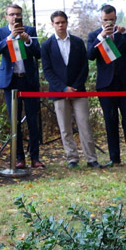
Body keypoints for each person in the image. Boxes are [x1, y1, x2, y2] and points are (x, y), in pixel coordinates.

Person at [40, 10, 101, 169]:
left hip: (78, 90)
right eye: (57, 22)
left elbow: (84, 67)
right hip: (58, 92)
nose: (60, 25)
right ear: (52, 24)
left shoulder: (77, 42)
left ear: (67, 23)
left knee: (84, 125)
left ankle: (91, 159)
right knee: (65, 128)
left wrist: (74, 87)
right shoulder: (46, 45)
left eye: (63, 22)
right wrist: (63, 88)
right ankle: (72, 159)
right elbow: (48, 71)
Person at [86, 4, 126, 166]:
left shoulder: (121, 35)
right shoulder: (94, 35)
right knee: (110, 121)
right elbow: (90, 55)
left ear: (115, 19)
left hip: (124, 83)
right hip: (106, 85)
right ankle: (114, 158)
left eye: (111, 20)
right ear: (101, 19)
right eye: (105, 20)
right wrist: (101, 37)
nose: (108, 23)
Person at [0, 4, 43, 169]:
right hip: (11, 82)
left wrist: (27, 40)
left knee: (33, 120)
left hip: (28, 81)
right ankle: (19, 158)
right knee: (15, 121)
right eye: (12, 14)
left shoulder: (30, 30)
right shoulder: (0, 32)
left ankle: (35, 157)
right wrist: (10, 38)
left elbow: (39, 54)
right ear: (6, 16)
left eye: (18, 15)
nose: (15, 17)